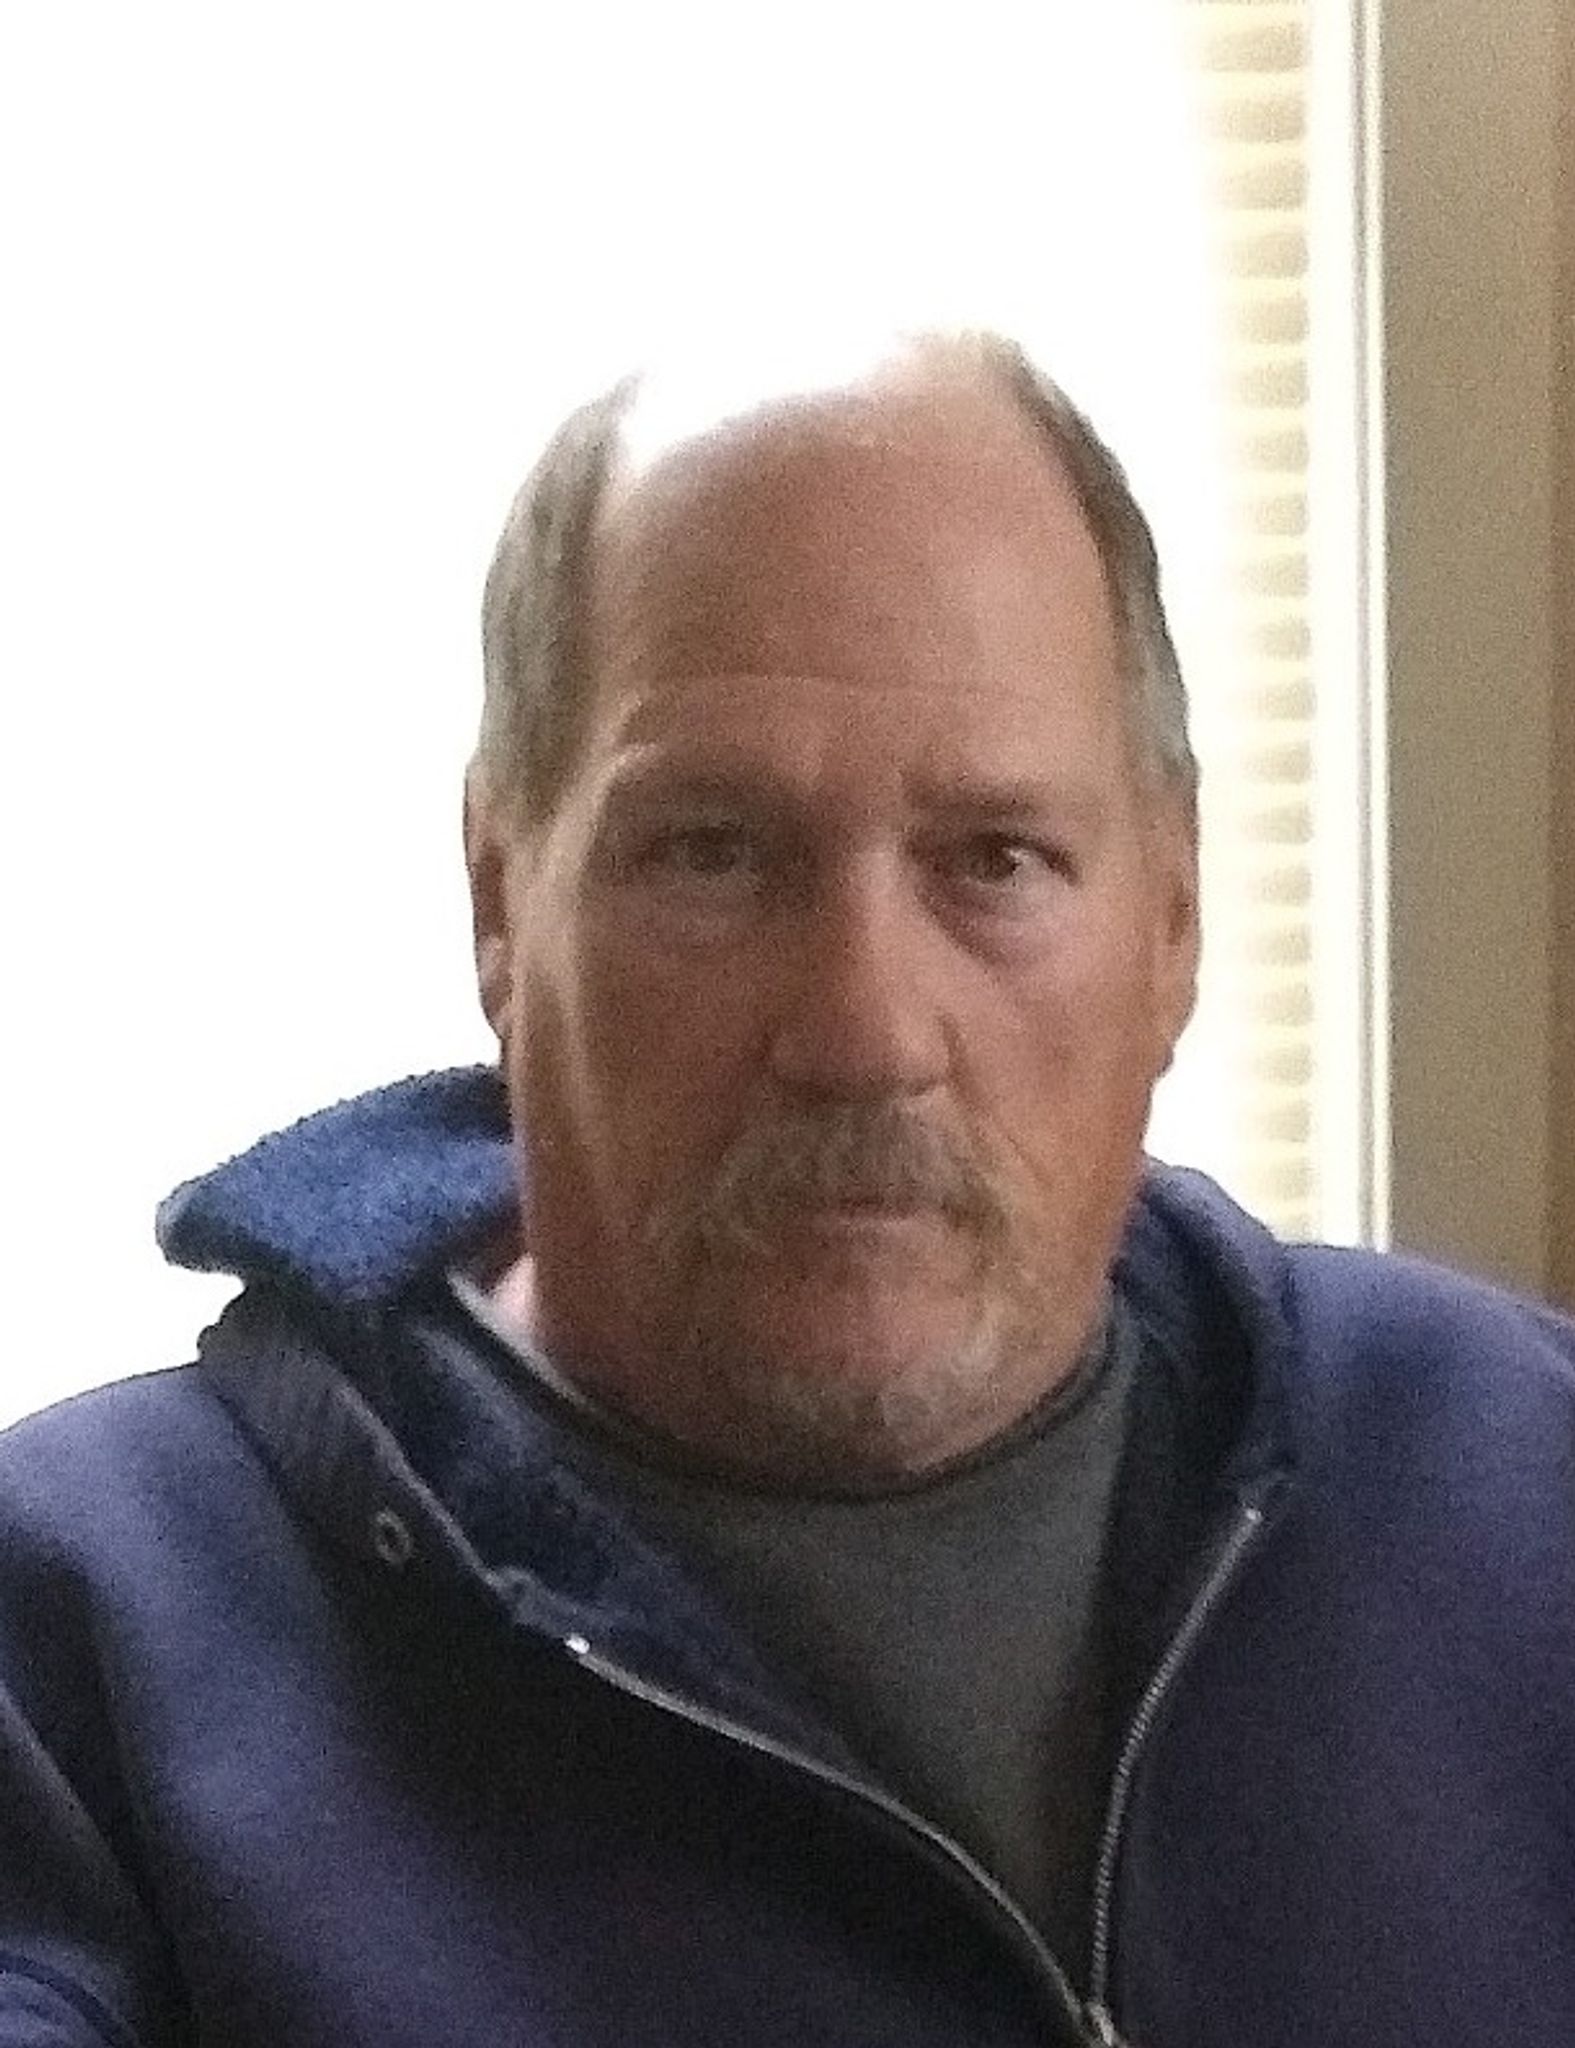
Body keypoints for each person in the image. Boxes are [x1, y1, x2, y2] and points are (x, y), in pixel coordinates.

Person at [2, 331, 1572, 2048]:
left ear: (1175, 922)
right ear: (502, 903)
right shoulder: (83, 1646)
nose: (865, 1033)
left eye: (995, 860)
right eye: (714, 853)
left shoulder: (1520, 1480)